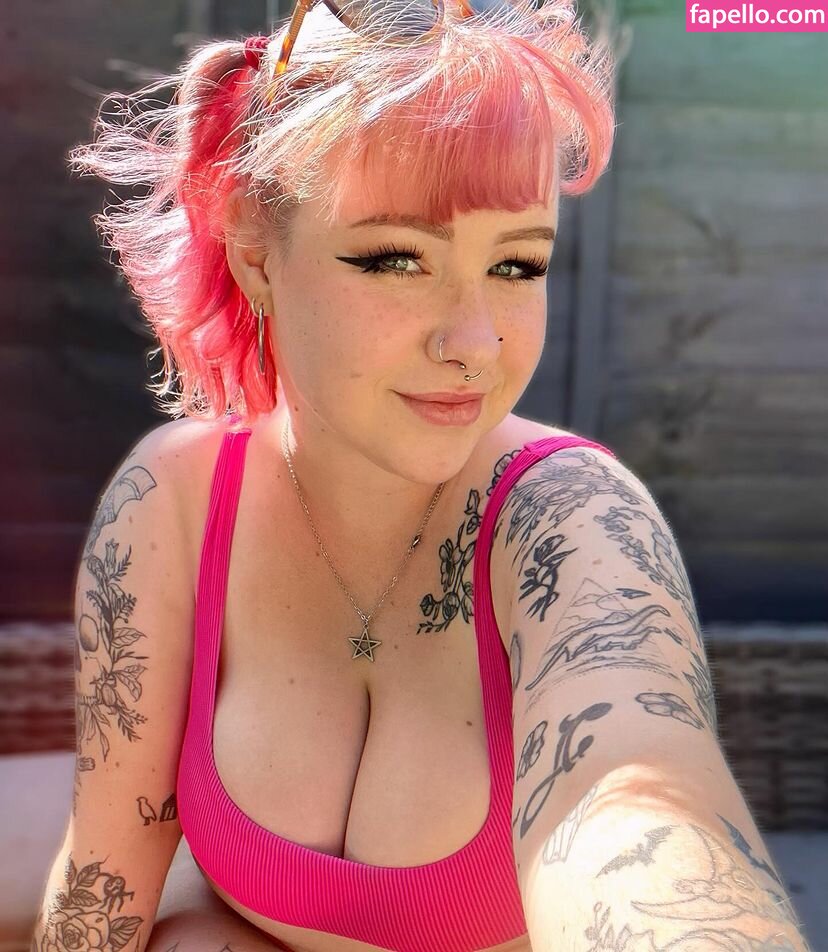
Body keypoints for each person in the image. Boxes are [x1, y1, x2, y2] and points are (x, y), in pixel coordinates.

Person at [31, 0, 812, 950]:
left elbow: (638, 796)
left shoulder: (572, 520)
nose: (474, 342)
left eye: (517, 265)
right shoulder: (174, 504)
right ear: (255, 252)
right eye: (396, 259)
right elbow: (103, 884)